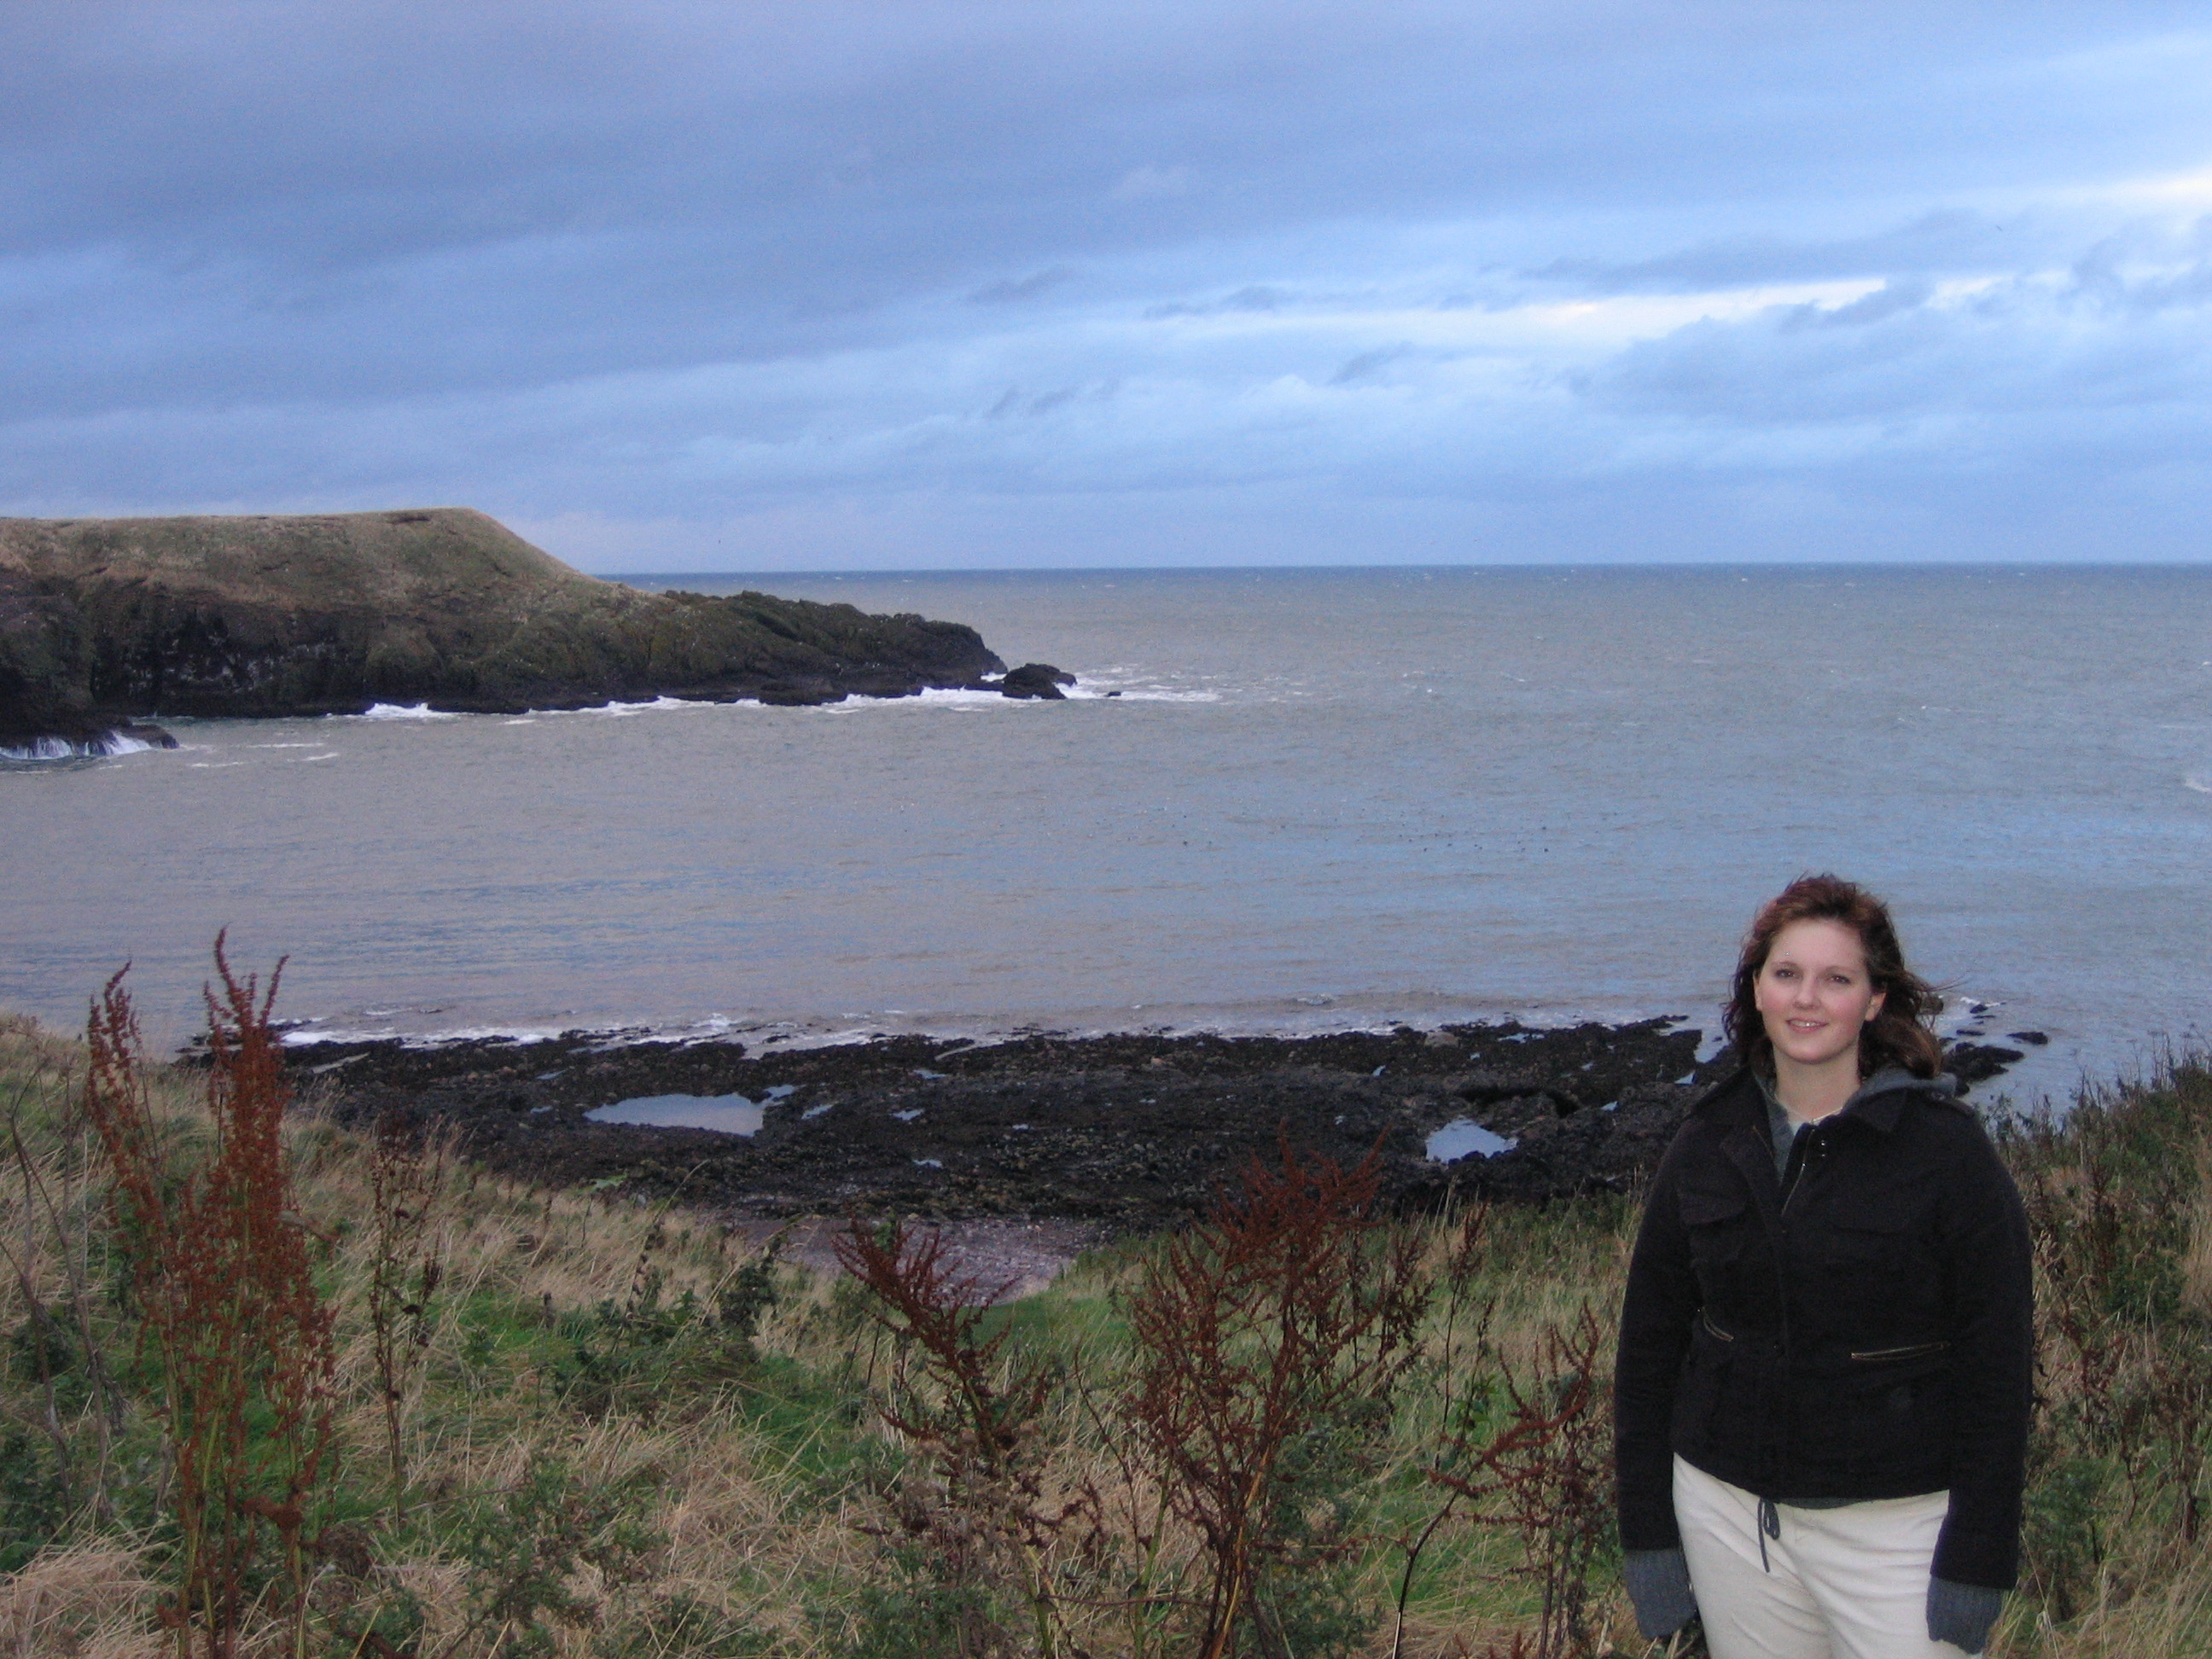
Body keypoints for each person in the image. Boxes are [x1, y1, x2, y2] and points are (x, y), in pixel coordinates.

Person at [1613, 874, 2033, 1659]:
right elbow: (1648, 1352)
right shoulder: (1707, 1143)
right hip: (1728, 1518)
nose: (1807, 999)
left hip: (1898, 1528)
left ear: (1875, 1001)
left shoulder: (1946, 1154)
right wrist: (1650, 1540)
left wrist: (1979, 1559)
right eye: (1786, 974)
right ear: (1757, 992)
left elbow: (1998, 1365)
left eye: (1837, 979)